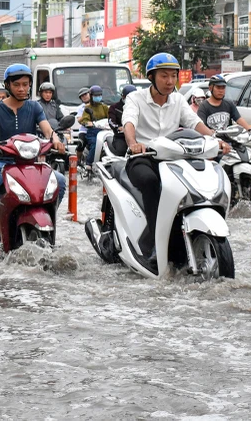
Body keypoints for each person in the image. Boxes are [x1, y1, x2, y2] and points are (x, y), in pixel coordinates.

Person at [123, 53, 231, 269]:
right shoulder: (135, 98)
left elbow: (194, 123)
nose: (170, 81)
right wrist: (134, 143)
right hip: (143, 157)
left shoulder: (178, 99)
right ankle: (154, 243)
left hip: (173, 158)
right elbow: (129, 122)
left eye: (173, 76)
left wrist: (214, 139)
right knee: (152, 183)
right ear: (152, 77)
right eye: (164, 76)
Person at [0, 64, 66, 249]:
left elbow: (47, 129)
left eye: (26, 84)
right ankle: (1, 233)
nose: (22, 88)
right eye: (17, 85)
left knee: (60, 181)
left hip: (30, 163)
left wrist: (56, 141)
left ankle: (47, 219)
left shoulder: (34, 107)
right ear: (8, 86)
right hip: (1, 162)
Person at [78, 84, 110, 170]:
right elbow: (84, 119)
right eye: (96, 95)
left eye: (99, 95)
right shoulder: (87, 108)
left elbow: (110, 118)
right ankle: (89, 163)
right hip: (92, 132)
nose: (98, 97)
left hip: (104, 131)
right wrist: (88, 123)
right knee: (95, 145)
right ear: (91, 96)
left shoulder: (104, 107)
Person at [107, 84, 136, 156]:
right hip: (120, 137)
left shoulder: (138, 107)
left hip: (136, 136)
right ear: (123, 96)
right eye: (129, 97)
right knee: (121, 150)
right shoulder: (114, 108)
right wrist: (118, 127)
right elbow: (111, 121)